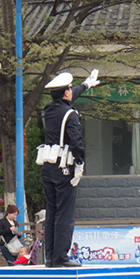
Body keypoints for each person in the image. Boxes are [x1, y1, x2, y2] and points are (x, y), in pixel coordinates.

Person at [41, 69, 100, 267]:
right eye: (69, 89)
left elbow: (69, 95)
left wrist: (86, 85)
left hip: (48, 167)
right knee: (65, 214)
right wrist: (80, 164)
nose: (70, 91)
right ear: (66, 93)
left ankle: (50, 257)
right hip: (64, 168)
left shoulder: (49, 110)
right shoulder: (70, 115)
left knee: (52, 213)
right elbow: (77, 143)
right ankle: (61, 257)